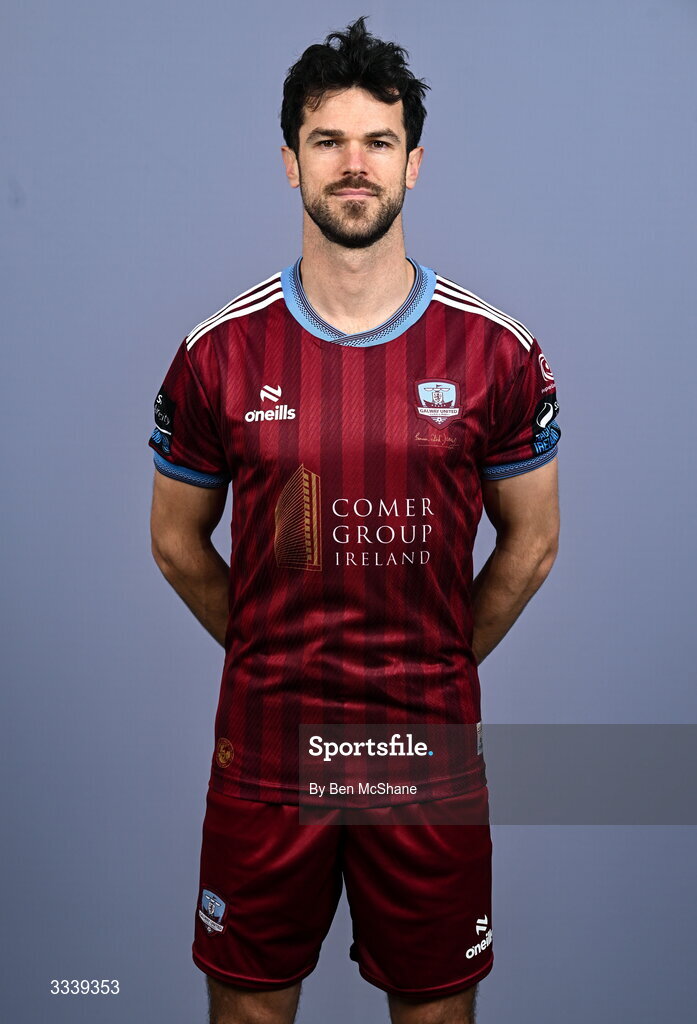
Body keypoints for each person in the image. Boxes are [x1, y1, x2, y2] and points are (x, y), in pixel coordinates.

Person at [148, 15, 560, 1024]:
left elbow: (533, 542)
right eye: (327, 141)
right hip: (266, 749)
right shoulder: (218, 354)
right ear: (288, 161)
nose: (353, 165)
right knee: (247, 1009)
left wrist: (433, 665)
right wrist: (269, 651)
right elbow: (174, 539)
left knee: (434, 1012)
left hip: (423, 755)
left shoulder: (494, 352)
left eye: (377, 142)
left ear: (414, 163)